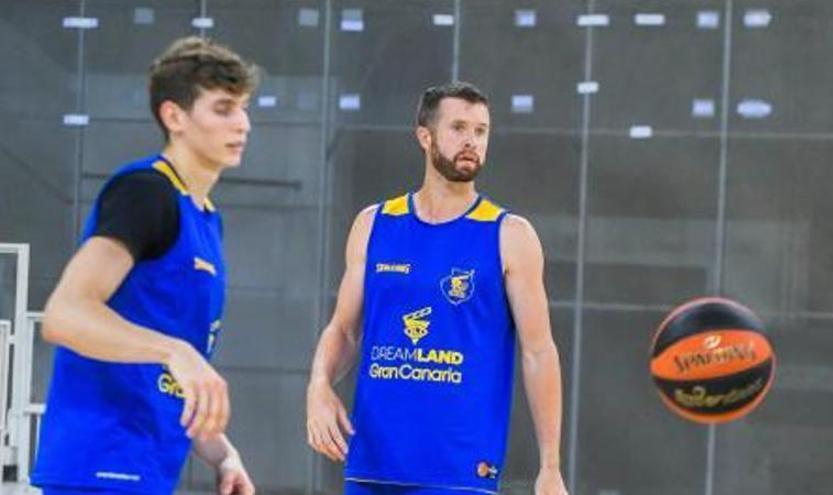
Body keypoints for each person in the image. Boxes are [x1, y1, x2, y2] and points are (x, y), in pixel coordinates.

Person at [306, 82, 568, 495]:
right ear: (424, 136)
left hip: (459, 469)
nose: (471, 141)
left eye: (481, 131)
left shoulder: (510, 235)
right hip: (373, 463)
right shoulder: (374, 224)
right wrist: (318, 385)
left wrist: (550, 466)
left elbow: (539, 352)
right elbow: (344, 330)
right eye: (459, 128)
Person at [30, 36, 257, 495]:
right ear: (174, 116)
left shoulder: (206, 218)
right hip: (98, 465)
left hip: (149, 465)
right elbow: (65, 314)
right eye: (223, 108)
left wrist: (222, 453)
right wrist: (177, 352)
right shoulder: (145, 192)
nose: (243, 124)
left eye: (244, 108)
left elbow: (170, 373)